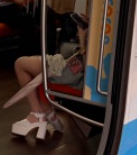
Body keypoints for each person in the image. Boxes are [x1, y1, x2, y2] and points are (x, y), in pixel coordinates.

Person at [11, 12, 89, 140]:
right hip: (73, 66)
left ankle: (38, 113)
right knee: (31, 65)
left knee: (21, 64)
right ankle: (46, 111)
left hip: (75, 72)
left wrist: (82, 37)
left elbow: (90, 65)